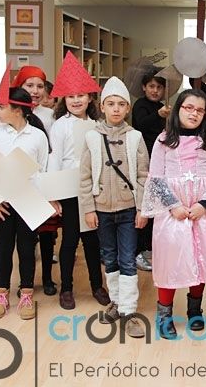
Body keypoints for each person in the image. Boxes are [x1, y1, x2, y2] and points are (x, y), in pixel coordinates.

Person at [141, 88, 206, 339]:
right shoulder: (163, 141)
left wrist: (205, 204)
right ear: (177, 109)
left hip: (201, 212)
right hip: (173, 213)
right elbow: (156, 178)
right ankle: (164, 313)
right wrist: (173, 205)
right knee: (171, 260)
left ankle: (194, 310)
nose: (194, 114)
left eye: (200, 110)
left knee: (200, 259)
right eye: (189, 108)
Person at [80, 77, 149, 338]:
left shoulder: (135, 137)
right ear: (102, 106)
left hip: (128, 208)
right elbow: (85, 176)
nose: (116, 109)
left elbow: (143, 176)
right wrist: (88, 208)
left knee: (127, 258)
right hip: (102, 209)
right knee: (109, 256)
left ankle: (129, 311)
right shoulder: (91, 137)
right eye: (111, 104)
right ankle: (117, 302)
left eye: (121, 104)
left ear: (128, 108)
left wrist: (142, 209)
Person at [0, 76, 53, 320]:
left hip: (29, 201)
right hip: (2, 203)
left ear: (17, 110)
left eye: (1, 106)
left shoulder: (38, 136)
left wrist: (44, 199)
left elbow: (44, 169)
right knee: (3, 249)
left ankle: (26, 295)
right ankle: (1, 296)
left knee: (26, 249)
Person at [49, 53, 111, 310]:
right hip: (69, 189)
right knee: (70, 239)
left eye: (81, 95)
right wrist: (52, 195)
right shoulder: (60, 126)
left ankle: (97, 285)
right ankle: (66, 288)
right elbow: (55, 158)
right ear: (64, 99)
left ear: (90, 98)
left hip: (92, 189)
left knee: (93, 240)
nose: (76, 100)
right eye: (71, 96)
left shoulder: (97, 125)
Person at [12, 65, 57, 296]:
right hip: (21, 184)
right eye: (29, 85)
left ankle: (48, 277)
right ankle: (25, 281)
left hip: (44, 180)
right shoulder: (10, 116)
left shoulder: (50, 116)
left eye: (40, 86)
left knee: (48, 234)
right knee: (25, 239)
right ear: (19, 86)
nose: (35, 91)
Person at [131, 73, 171, 272]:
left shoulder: (163, 106)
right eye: (151, 86)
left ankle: (151, 247)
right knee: (144, 204)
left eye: (159, 87)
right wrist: (159, 115)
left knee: (157, 205)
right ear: (144, 87)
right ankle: (139, 250)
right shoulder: (140, 104)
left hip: (160, 158)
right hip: (144, 159)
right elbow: (140, 125)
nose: (155, 91)